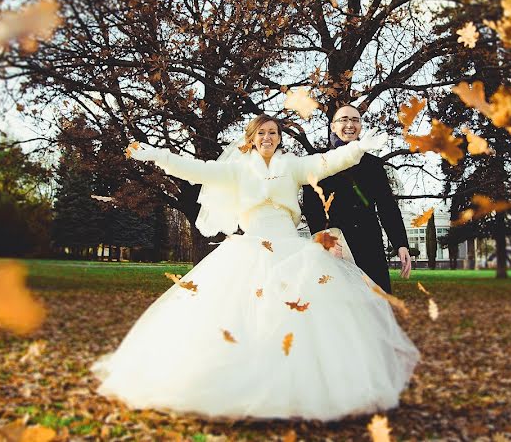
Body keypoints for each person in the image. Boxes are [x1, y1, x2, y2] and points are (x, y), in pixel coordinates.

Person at [92, 114, 419, 421]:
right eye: (261, 133)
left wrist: (358, 147)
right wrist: (156, 155)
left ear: (279, 139)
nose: (267, 137)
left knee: (301, 316)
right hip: (251, 246)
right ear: (251, 138)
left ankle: (299, 387)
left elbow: (326, 162)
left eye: (273, 133)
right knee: (243, 314)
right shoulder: (237, 169)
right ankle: (237, 384)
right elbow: (195, 169)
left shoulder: (291, 166)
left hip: (292, 248)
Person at [302, 105, 412, 294]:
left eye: (355, 120)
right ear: (332, 126)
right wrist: (324, 240)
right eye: (343, 119)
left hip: (370, 245)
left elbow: (387, 207)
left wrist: (401, 243)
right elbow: (312, 209)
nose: (349, 124)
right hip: (335, 248)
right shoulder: (318, 162)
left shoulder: (374, 165)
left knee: (377, 306)